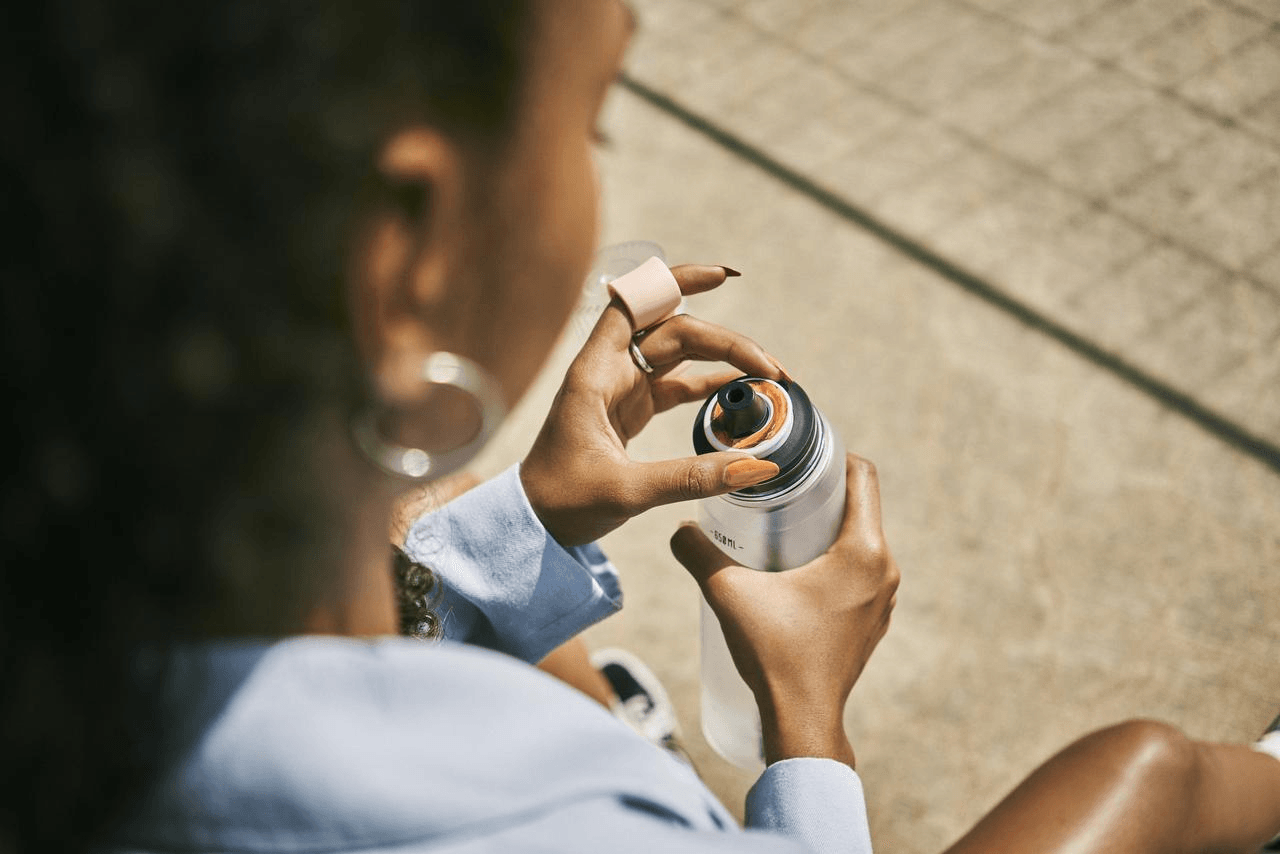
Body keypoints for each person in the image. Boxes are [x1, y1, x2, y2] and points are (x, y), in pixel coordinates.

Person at [1, 2, 1277, 854]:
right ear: (412, 262)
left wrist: (522, 525)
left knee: (473, 588)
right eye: (592, 114)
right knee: (1146, 769)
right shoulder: (555, 823)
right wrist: (805, 721)